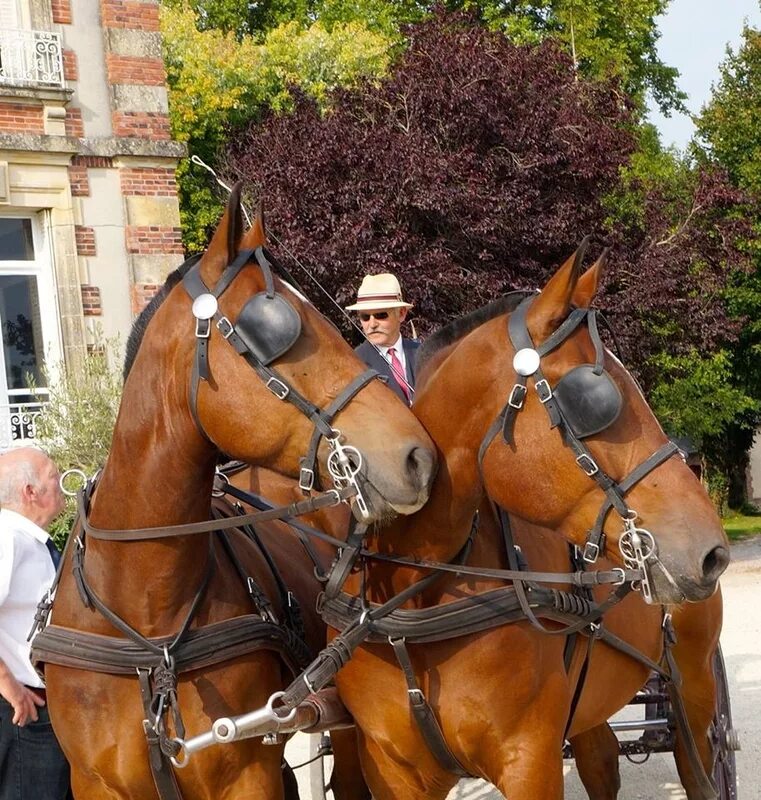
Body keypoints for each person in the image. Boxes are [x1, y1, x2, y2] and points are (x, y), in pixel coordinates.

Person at [0, 447, 70, 800]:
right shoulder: (6, 539)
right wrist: (9, 687)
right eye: (53, 477)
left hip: (46, 708)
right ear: (31, 492)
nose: (62, 485)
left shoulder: (28, 541)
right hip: (25, 711)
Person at [346, 272, 418, 405]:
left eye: (380, 315)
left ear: (401, 313)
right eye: (365, 317)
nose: (372, 324)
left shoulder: (423, 352)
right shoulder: (354, 364)